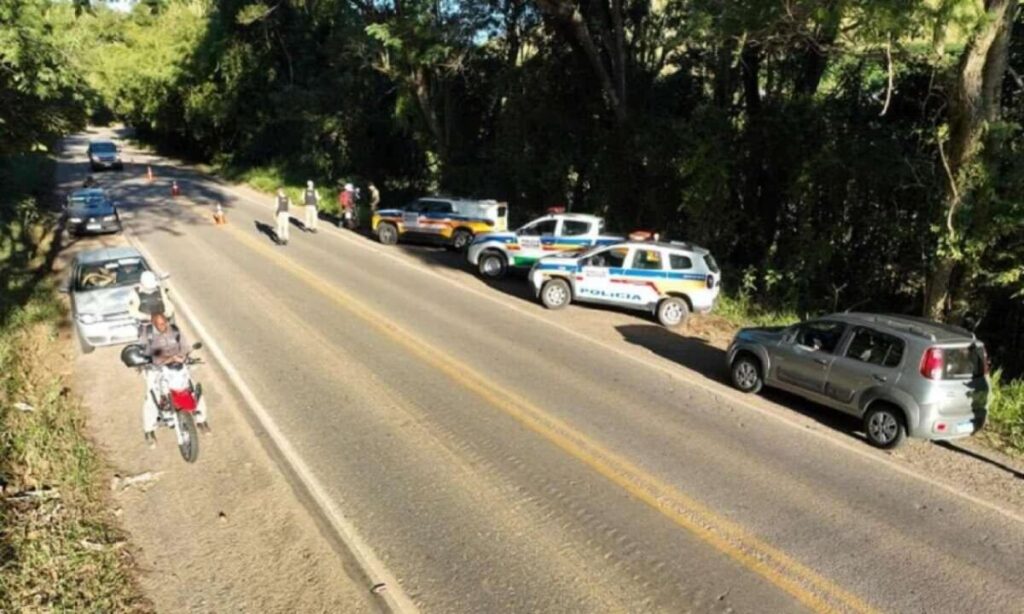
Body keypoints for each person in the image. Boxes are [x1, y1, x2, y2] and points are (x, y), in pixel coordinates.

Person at [141, 313, 209, 446]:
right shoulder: (147, 335)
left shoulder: (175, 330)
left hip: (178, 366)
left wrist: (182, 356)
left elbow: (185, 346)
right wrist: (165, 359)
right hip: (157, 369)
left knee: (194, 390)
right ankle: (149, 430)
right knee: (151, 397)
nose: (163, 326)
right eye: (159, 324)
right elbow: (148, 353)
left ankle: (201, 421)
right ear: (153, 324)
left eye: (164, 322)